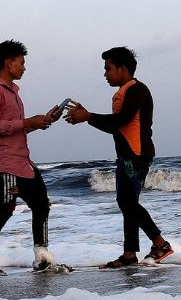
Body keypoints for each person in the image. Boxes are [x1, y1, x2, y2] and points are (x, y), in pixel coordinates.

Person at [65, 46, 173, 268]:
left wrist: (88, 116)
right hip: (128, 156)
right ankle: (130, 254)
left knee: (127, 202)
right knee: (127, 203)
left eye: (108, 68)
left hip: (136, 156)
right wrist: (88, 116)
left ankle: (160, 244)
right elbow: (115, 127)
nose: (105, 74)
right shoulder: (124, 92)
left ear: (122, 69)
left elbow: (123, 120)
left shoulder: (136, 89)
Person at [0, 39, 64, 276]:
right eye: (21, 63)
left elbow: (15, 128)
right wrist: (27, 122)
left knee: (41, 205)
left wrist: (41, 121)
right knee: (5, 209)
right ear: (9, 63)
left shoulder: (13, 93)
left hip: (24, 163)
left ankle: (42, 256)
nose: (24, 68)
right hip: (5, 164)